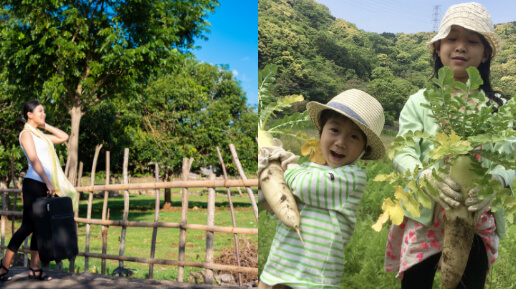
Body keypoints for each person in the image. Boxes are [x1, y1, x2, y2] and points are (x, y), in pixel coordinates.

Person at [384, 3, 515, 289]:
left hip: (475, 216)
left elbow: (510, 157)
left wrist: (496, 182)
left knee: (469, 282)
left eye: (472, 40)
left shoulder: (500, 106)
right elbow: (401, 151)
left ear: (486, 52)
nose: (460, 47)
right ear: (438, 47)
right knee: (415, 284)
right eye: (452, 38)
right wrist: (422, 175)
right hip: (424, 218)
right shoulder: (418, 102)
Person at [258, 89, 385, 289]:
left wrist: (288, 164)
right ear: (321, 132)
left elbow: (305, 186)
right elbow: (280, 207)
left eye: (354, 137)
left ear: (364, 150)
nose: (341, 142)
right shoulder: (307, 169)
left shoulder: (352, 178)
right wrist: (266, 180)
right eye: (334, 130)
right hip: (277, 271)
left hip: (315, 280)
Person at [0, 100, 78, 281]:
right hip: (34, 184)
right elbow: (35, 160)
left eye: (44, 111)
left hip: (44, 184)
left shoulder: (41, 135)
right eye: (40, 111)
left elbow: (64, 136)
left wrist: (45, 125)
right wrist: (48, 182)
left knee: (40, 227)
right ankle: (4, 266)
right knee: (27, 226)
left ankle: (34, 269)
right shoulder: (26, 134)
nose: (44, 114)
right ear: (29, 114)